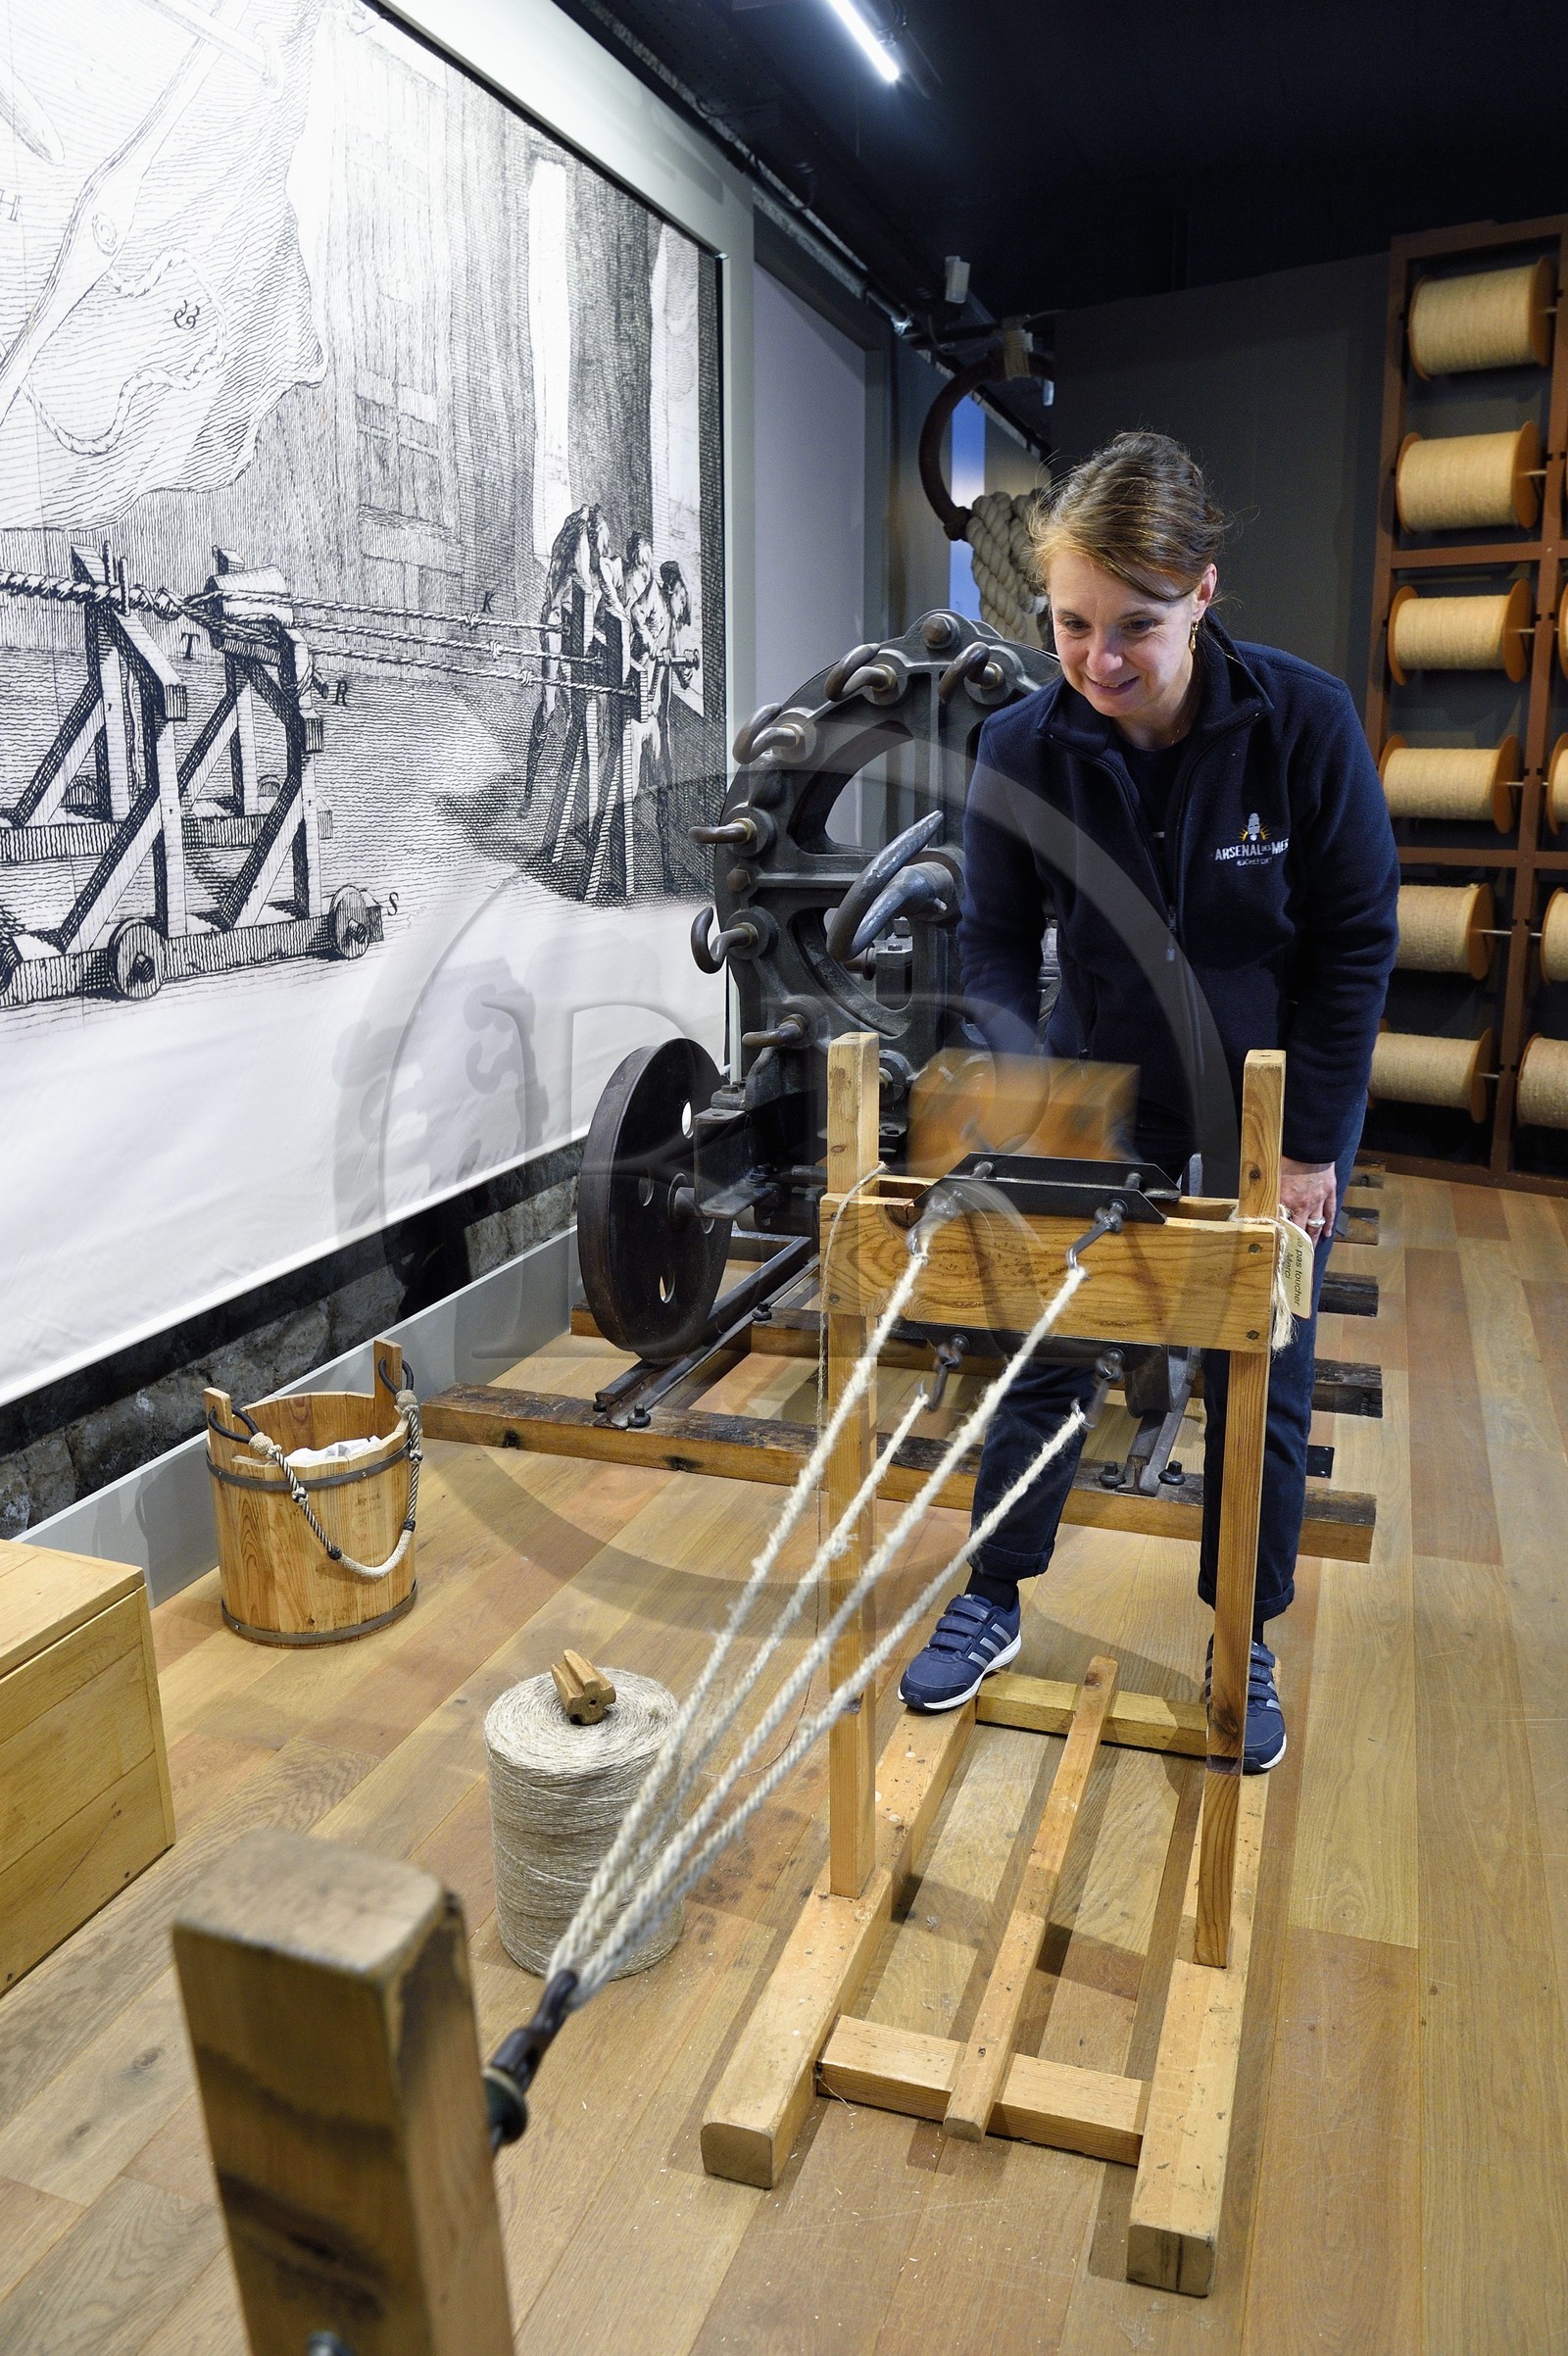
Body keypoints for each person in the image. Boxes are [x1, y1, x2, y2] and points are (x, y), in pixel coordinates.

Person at [899, 431, 1399, 1769]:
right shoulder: (1019, 743)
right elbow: (995, 940)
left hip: (1258, 1099)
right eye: (1071, 624)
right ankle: (995, 1594)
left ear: (1204, 595)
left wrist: (1307, 1152)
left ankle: (1244, 1632)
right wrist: (1015, 1085)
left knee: (1260, 1370)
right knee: (1046, 1343)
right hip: (1091, 1081)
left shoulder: (1305, 725)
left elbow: (1354, 944)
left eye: (1138, 626)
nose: (1101, 659)